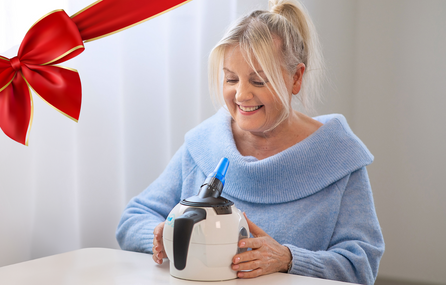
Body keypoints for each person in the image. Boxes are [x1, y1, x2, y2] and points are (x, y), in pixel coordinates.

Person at [116, 0, 384, 284]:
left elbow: (361, 264)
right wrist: (162, 235)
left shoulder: (338, 157)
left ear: (296, 78)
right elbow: (133, 219)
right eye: (231, 79)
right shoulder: (204, 145)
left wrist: (288, 259)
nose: (241, 95)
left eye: (258, 81)